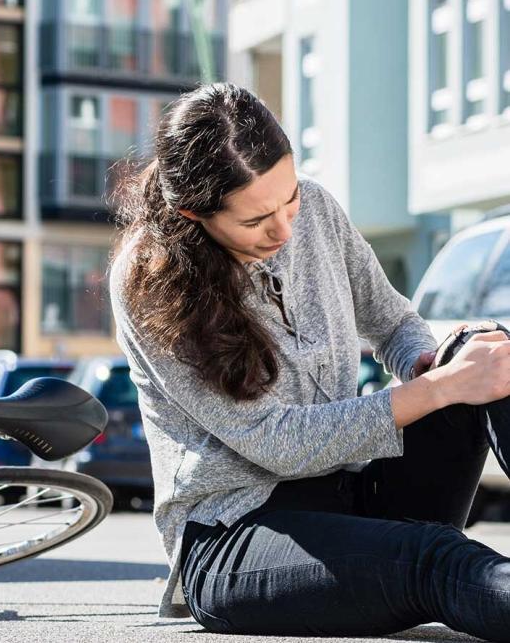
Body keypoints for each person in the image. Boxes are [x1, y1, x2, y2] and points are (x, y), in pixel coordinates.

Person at [109, 82, 510, 641]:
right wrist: (436, 390)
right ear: (192, 214)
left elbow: (392, 321)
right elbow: (278, 443)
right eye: (255, 221)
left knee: (485, 348)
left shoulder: (317, 209)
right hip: (238, 535)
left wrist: (428, 362)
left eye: (289, 198)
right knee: (436, 560)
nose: (284, 228)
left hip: (355, 494)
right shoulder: (150, 282)